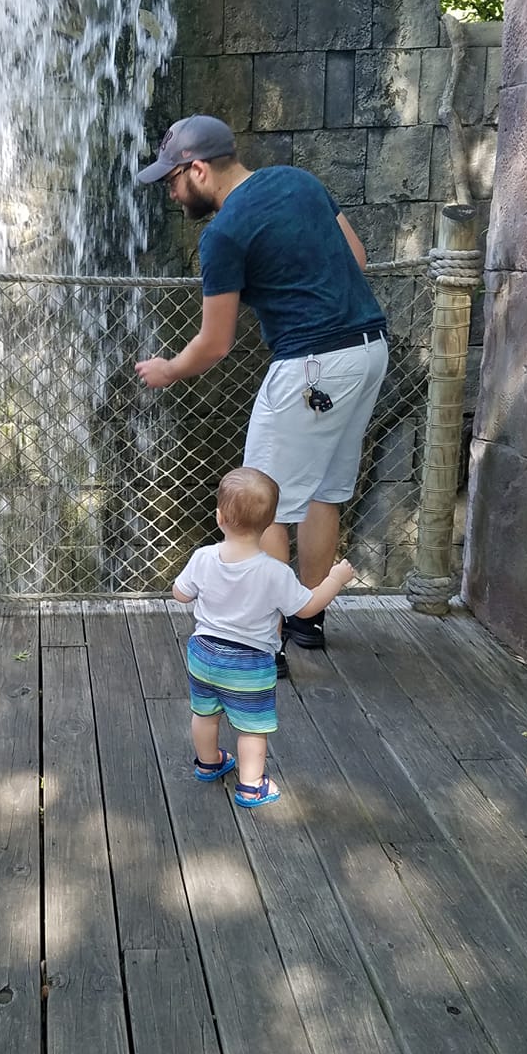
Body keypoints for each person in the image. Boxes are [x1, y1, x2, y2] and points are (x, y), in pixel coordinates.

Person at [135, 114, 387, 667]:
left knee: (264, 506)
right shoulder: (300, 181)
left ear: (198, 169)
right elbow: (358, 260)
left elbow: (215, 342)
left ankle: (260, 639)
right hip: (368, 351)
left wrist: (168, 369)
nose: (172, 194)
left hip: (310, 367)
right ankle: (307, 620)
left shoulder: (222, 234)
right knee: (324, 490)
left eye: (173, 181)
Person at [173, 467, 354, 807]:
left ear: (219, 516)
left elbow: (181, 594)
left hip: (203, 652)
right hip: (249, 662)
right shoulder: (275, 572)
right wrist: (335, 579)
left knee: (204, 713)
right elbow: (306, 608)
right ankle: (251, 785)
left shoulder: (203, 557)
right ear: (271, 523)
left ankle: (208, 763)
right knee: (252, 728)